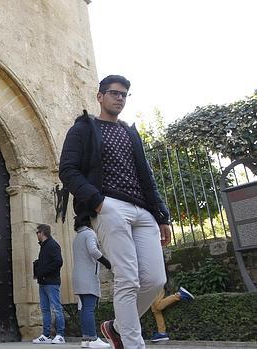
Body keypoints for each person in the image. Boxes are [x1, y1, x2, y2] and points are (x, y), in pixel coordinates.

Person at [59, 75, 171, 349]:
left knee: (156, 279)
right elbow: (68, 171)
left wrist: (161, 216)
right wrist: (98, 202)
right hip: (108, 205)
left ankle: (117, 328)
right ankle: (133, 344)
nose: (119, 98)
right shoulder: (84, 129)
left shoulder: (130, 133)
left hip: (143, 211)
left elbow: (147, 177)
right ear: (100, 96)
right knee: (128, 277)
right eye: (113, 93)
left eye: (124, 94)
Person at [72, 226, 111, 348]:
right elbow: (93, 250)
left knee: (84, 308)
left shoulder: (77, 236)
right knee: (89, 308)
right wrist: (107, 262)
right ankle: (93, 338)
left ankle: (86, 338)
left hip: (79, 275)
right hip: (88, 275)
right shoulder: (89, 234)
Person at [32, 224, 66, 344]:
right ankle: (46, 335)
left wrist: (43, 271)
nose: (36, 235)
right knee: (45, 309)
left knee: (56, 308)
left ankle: (60, 335)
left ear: (42, 233)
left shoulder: (53, 245)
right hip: (43, 282)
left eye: (37, 233)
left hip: (51, 282)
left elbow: (58, 262)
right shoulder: (44, 246)